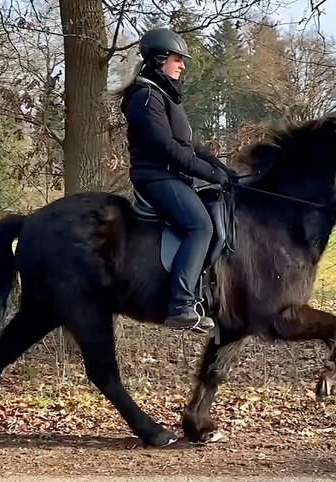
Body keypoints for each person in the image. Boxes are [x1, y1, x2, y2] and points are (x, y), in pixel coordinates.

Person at [118, 27, 232, 331]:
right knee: (200, 226)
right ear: (159, 59)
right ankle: (180, 305)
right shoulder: (144, 97)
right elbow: (167, 149)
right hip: (157, 178)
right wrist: (210, 174)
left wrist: (223, 169)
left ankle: (201, 295)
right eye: (177, 59)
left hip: (173, 178)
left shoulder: (165, 97)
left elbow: (191, 146)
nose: (182, 64)